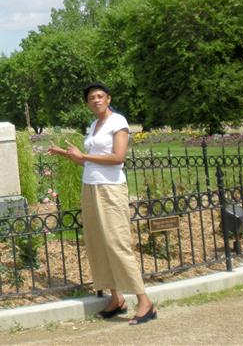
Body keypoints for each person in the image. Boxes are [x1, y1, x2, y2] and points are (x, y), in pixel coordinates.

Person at [48, 82, 157, 325]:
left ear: (108, 98)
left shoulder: (118, 122)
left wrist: (83, 155)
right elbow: (88, 163)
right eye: (91, 98)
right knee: (98, 244)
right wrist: (66, 154)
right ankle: (116, 299)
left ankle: (144, 301)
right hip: (91, 187)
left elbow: (118, 158)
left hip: (111, 189)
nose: (96, 100)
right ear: (87, 104)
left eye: (99, 96)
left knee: (117, 243)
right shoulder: (93, 126)